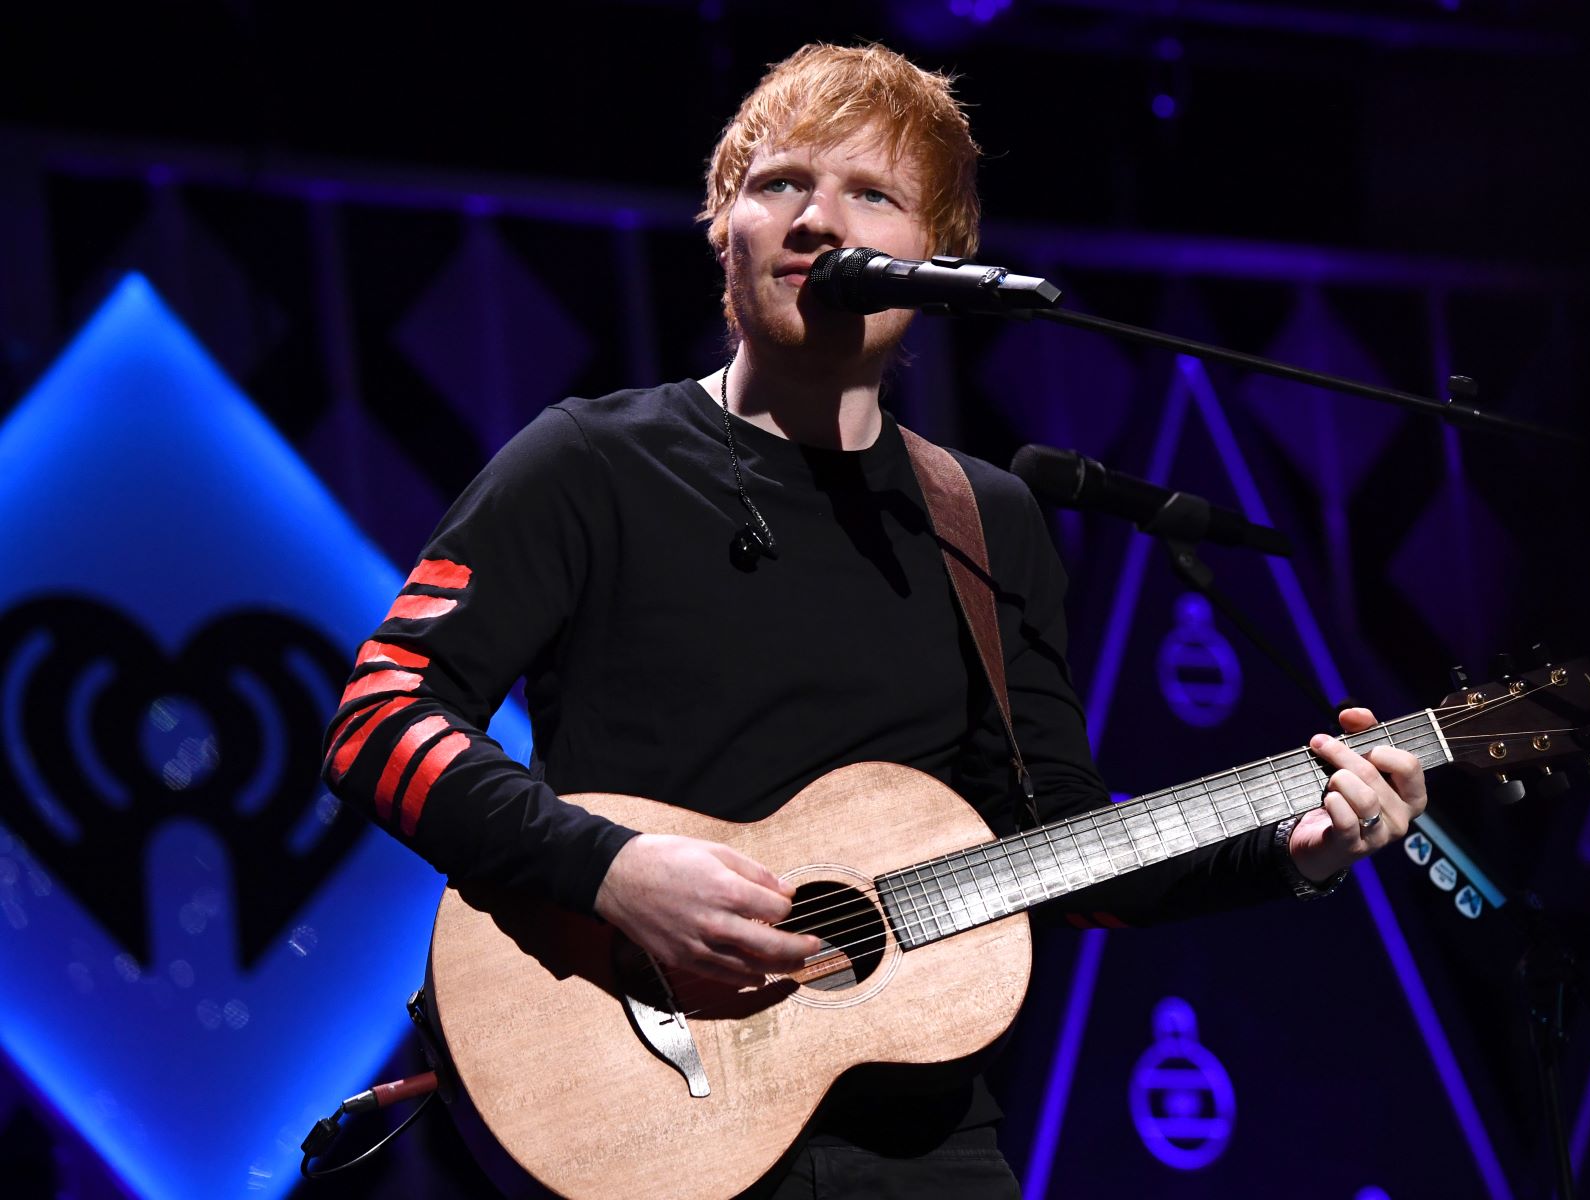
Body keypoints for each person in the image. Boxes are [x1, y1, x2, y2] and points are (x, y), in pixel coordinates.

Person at [321, 42, 1428, 1198]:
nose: (817, 220)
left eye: (872, 195)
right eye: (782, 183)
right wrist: (614, 871)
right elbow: (377, 718)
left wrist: (1292, 853)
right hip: (628, 1109)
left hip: (921, 1148)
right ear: (723, 226)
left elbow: (1060, 852)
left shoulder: (985, 520)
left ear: (936, 265)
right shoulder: (588, 462)